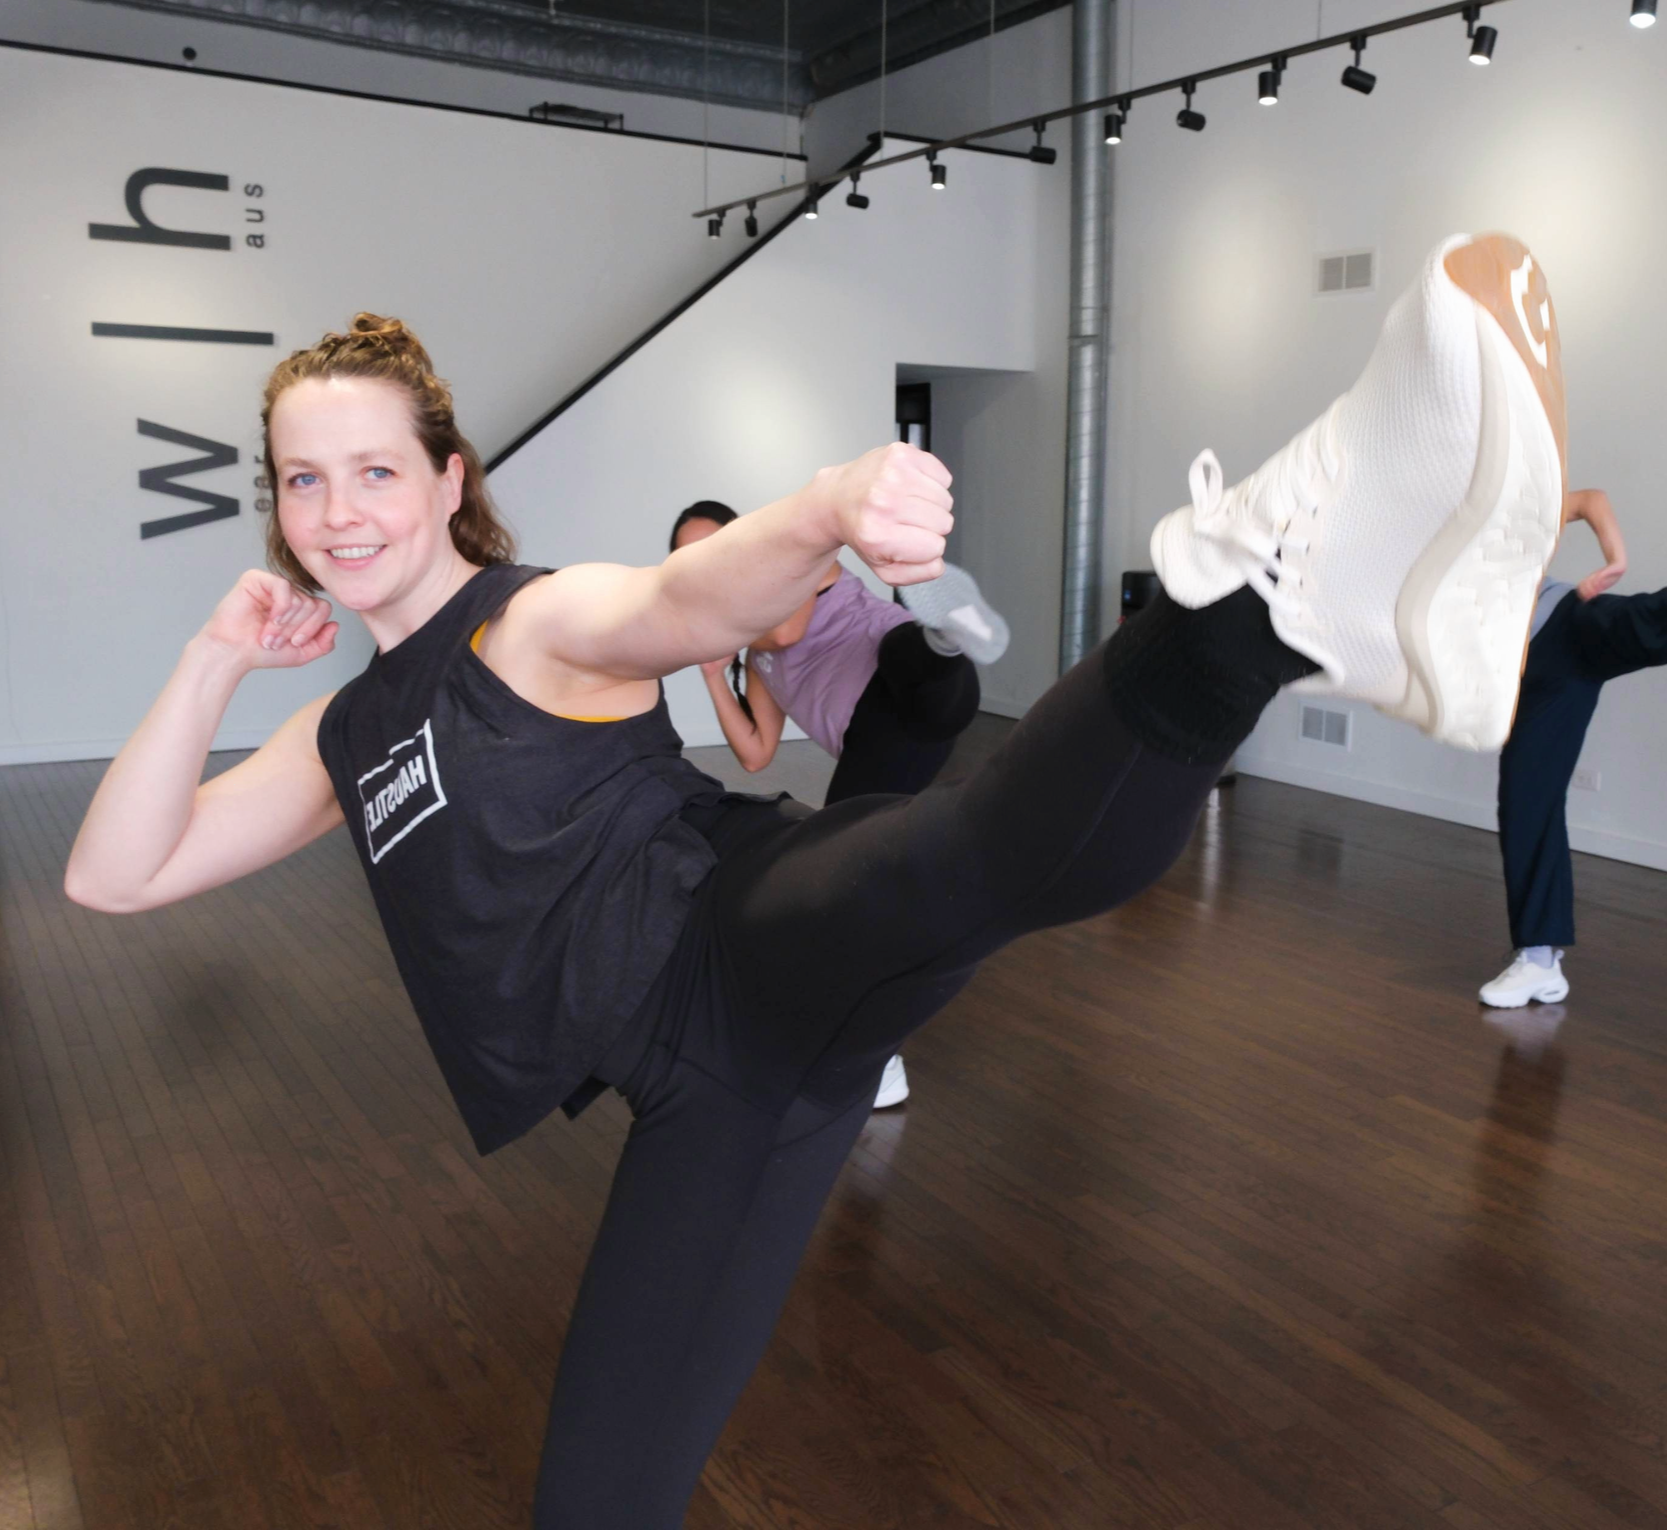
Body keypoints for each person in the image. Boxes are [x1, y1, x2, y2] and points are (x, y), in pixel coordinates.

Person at [64, 230, 1566, 1528]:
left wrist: (822, 506)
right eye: (303, 479)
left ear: (447, 478)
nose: (337, 512)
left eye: (375, 469)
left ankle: (1268, 585)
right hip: (703, 1096)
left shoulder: (528, 620)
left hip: (739, 943)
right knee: (595, 1497)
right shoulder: (346, 728)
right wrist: (210, 658)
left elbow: (673, 596)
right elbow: (120, 872)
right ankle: (1314, 609)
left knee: (981, 854)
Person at [668, 499, 1010, 1109]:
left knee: (917, 665)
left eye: (710, 548)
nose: (701, 565)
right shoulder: (756, 655)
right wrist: (714, 675)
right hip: (882, 737)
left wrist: (718, 629)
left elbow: (789, 628)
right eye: (686, 557)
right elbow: (754, 752)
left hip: (899, 674)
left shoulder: (796, 563)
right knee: (848, 878)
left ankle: (945, 634)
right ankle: (873, 1051)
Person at [1483, 486, 1656, 1007]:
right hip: (1530, 681)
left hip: (1568, 624)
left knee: (1652, 619)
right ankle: (1539, 962)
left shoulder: (1492, 508)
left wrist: (1616, 559)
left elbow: (1587, 500)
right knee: (1524, 802)